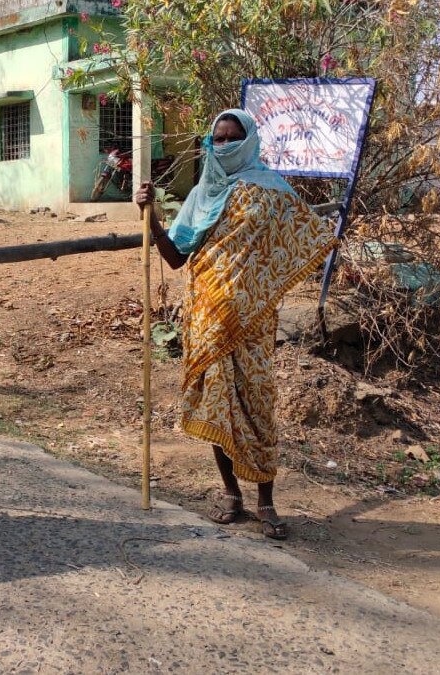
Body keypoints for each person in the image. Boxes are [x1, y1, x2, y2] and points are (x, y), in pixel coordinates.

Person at [135, 109, 335, 539]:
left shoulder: (273, 191)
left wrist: (268, 280)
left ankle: (266, 501)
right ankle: (231, 494)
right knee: (217, 403)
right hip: (207, 313)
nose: (224, 145)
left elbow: (306, 238)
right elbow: (176, 257)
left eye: (233, 137)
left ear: (250, 141)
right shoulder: (202, 193)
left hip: (254, 318)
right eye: (218, 139)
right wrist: (150, 218)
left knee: (258, 402)